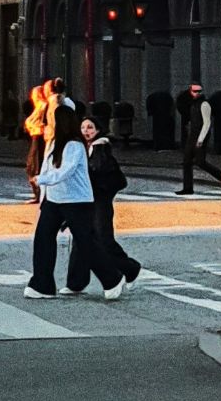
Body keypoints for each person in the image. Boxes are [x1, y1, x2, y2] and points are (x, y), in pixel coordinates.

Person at [25, 106, 127, 301]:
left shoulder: (74, 145)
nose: (49, 124)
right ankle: (42, 284)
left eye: (53, 120)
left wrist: (42, 180)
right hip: (54, 199)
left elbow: (66, 171)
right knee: (43, 238)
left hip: (76, 200)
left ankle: (112, 278)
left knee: (86, 242)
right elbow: (49, 169)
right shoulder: (55, 143)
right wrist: (43, 191)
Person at [75, 114, 142, 292]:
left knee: (103, 239)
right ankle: (76, 282)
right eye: (83, 128)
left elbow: (95, 171)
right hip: (89, 199)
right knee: (83, 238)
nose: (86, 131)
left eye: (90, 127)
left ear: (97, 130)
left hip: (99, 200)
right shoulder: (87, 147)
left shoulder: (100, 148)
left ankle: (130, 268)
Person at [175, 83, 221, 194]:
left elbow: (207, 123)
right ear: (190, 92)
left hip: (200, 135)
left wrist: (201, 139)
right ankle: (188, 188)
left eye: (199, 91)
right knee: (187, 161)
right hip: (192, 135)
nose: (197, 93)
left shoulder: (204, 104)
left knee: (200, 162)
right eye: (195, 91)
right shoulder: (192, 104)